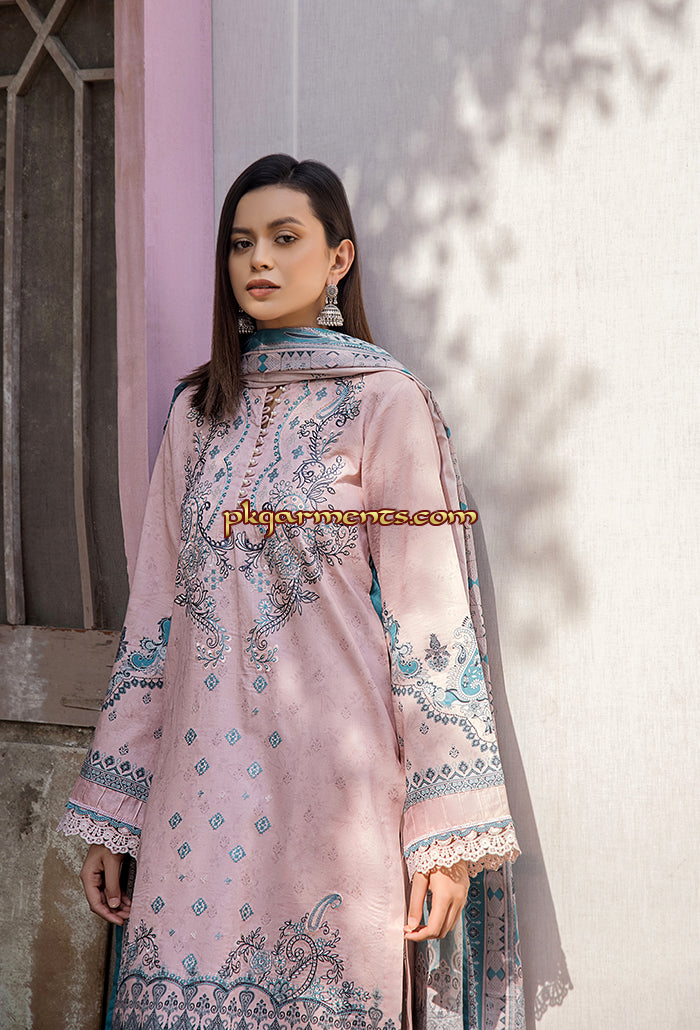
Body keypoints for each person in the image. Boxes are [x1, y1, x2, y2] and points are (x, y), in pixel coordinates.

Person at [58, 154, 523, 1030]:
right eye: (241, 244)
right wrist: (115, 813)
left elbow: (429, 622)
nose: (258, 261)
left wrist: (444, 835)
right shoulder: (197, 413)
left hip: (337, 797)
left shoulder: (385, 404)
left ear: (338, 259)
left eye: (283, 238)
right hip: (197, 802)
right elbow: (154, 620)